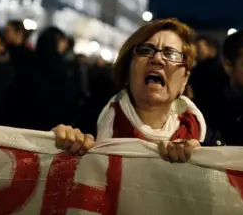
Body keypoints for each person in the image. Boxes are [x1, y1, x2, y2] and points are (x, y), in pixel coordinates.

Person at [53, 18, 206, 163]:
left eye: (170, 54)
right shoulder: (88, 128)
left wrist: (203, 160)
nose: (157, 59)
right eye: (146, 50)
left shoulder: (206, 142)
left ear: (184, 80)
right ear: (127, 70)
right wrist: (60, 143)